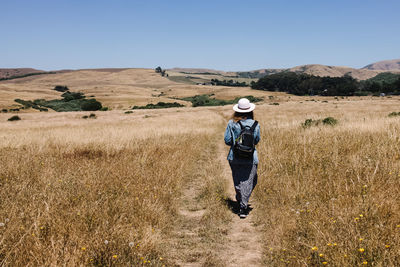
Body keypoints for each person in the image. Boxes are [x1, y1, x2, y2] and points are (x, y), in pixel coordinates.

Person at [224, 98, 260, 218]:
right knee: (250, 181)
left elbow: (227, 141)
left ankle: (240, 200)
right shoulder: (255, 124)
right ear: (250, 111)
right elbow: (256, 140)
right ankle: (243, 207)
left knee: (238, 179)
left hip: (234, 156)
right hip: (251, 158)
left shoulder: (231, 123)